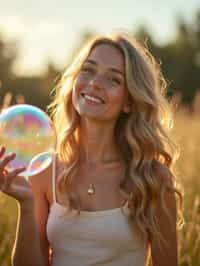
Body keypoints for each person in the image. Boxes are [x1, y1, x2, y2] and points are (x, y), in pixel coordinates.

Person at [0, 33, 183, 266]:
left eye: (113, 80)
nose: (95, 82)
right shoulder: (45, 171)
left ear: (129, 101)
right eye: (88, 70)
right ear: (75, 81)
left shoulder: (153, 178)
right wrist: (25, 204)